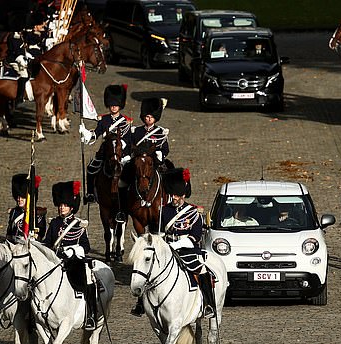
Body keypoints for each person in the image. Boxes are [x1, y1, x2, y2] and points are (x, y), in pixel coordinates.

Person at [130, 168, 217, 319]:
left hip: (188, 250)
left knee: (202, 270)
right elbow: (159, 231)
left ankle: (209, 304)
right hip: (168, 248)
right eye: (172, 195)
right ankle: (140, 304)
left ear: (183, 195)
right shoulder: (164, 211)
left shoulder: (194, 213)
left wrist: (178, 244)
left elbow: (195, 236)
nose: (174, 198)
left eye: (177, 196)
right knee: (150, 269)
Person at [0, 173, 47, 313]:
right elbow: (10, 232)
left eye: (22, 197)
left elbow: (41, 235)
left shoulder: (37, 215)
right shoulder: (14, 213)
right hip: (12, 248)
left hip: (26, 250)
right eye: (17, 196)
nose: (19, 199)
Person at [42, 181, 97, 330]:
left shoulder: (78, 224)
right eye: (60, 205)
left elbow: (86, 246)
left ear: (71, 207)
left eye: (65, 205)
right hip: (57, 261)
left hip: (74, 262)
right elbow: (47, 243)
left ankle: (91, 315)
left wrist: (73, 250)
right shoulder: (54, 223)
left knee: (88, 277)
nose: (61, 208)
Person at [80, 84, 133, 223]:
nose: (113, 107)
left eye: (116, 105)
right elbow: (96, 134)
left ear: (120, 105)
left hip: (121, 152)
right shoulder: (104, 120)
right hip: (105, 152)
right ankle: (91, 193)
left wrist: (121, 152)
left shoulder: (126, 122)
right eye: (111, 104)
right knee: (91, 168)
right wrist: (86, 134)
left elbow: (128, 140)